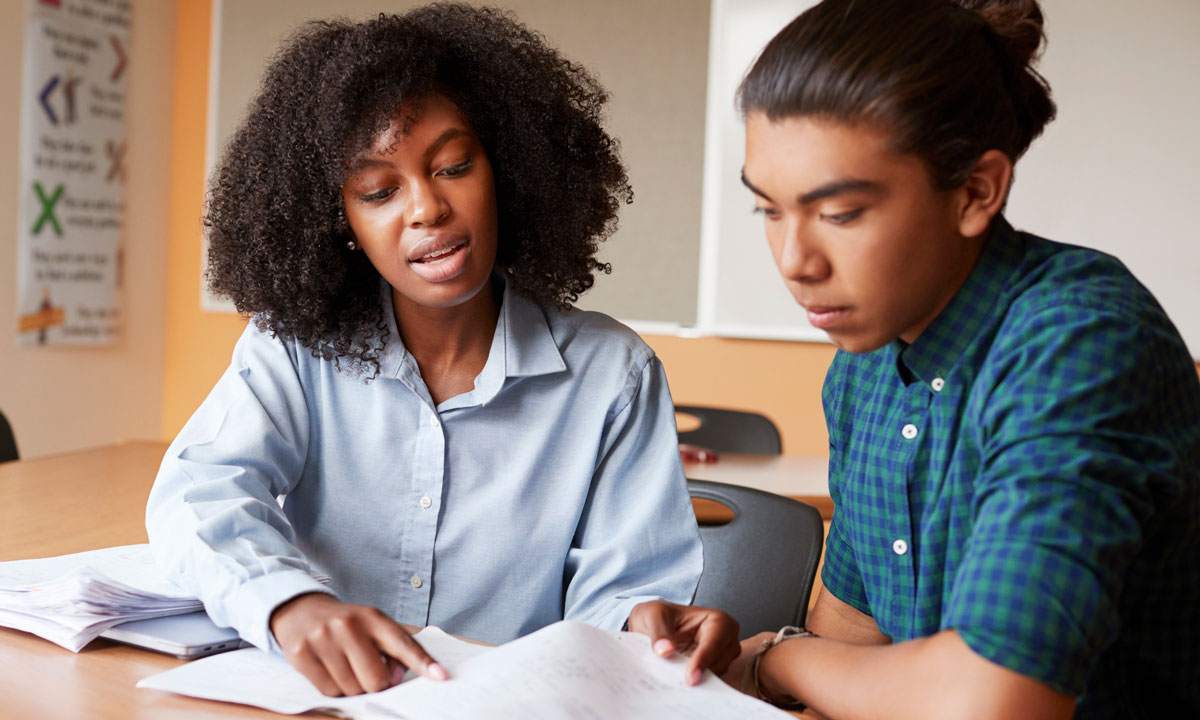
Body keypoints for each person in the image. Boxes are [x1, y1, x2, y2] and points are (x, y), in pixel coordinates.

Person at [146, 4, 738, 698]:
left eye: (453, 165)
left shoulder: (612, 375)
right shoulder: (294, 350)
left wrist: (645, 624)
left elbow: (619, 600)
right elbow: (199, 493)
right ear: (341, 221)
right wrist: (286, 602)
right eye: (378, 190)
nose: (425, 208)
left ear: (508, 171)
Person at [722, 0, 1200, 718]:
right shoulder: (864, 366)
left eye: (841, 213)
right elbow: (851, 637)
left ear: (977, 192)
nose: (795, 262)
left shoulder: (1080, 344)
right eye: (769, 210)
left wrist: (775, 658)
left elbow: (996, 697)